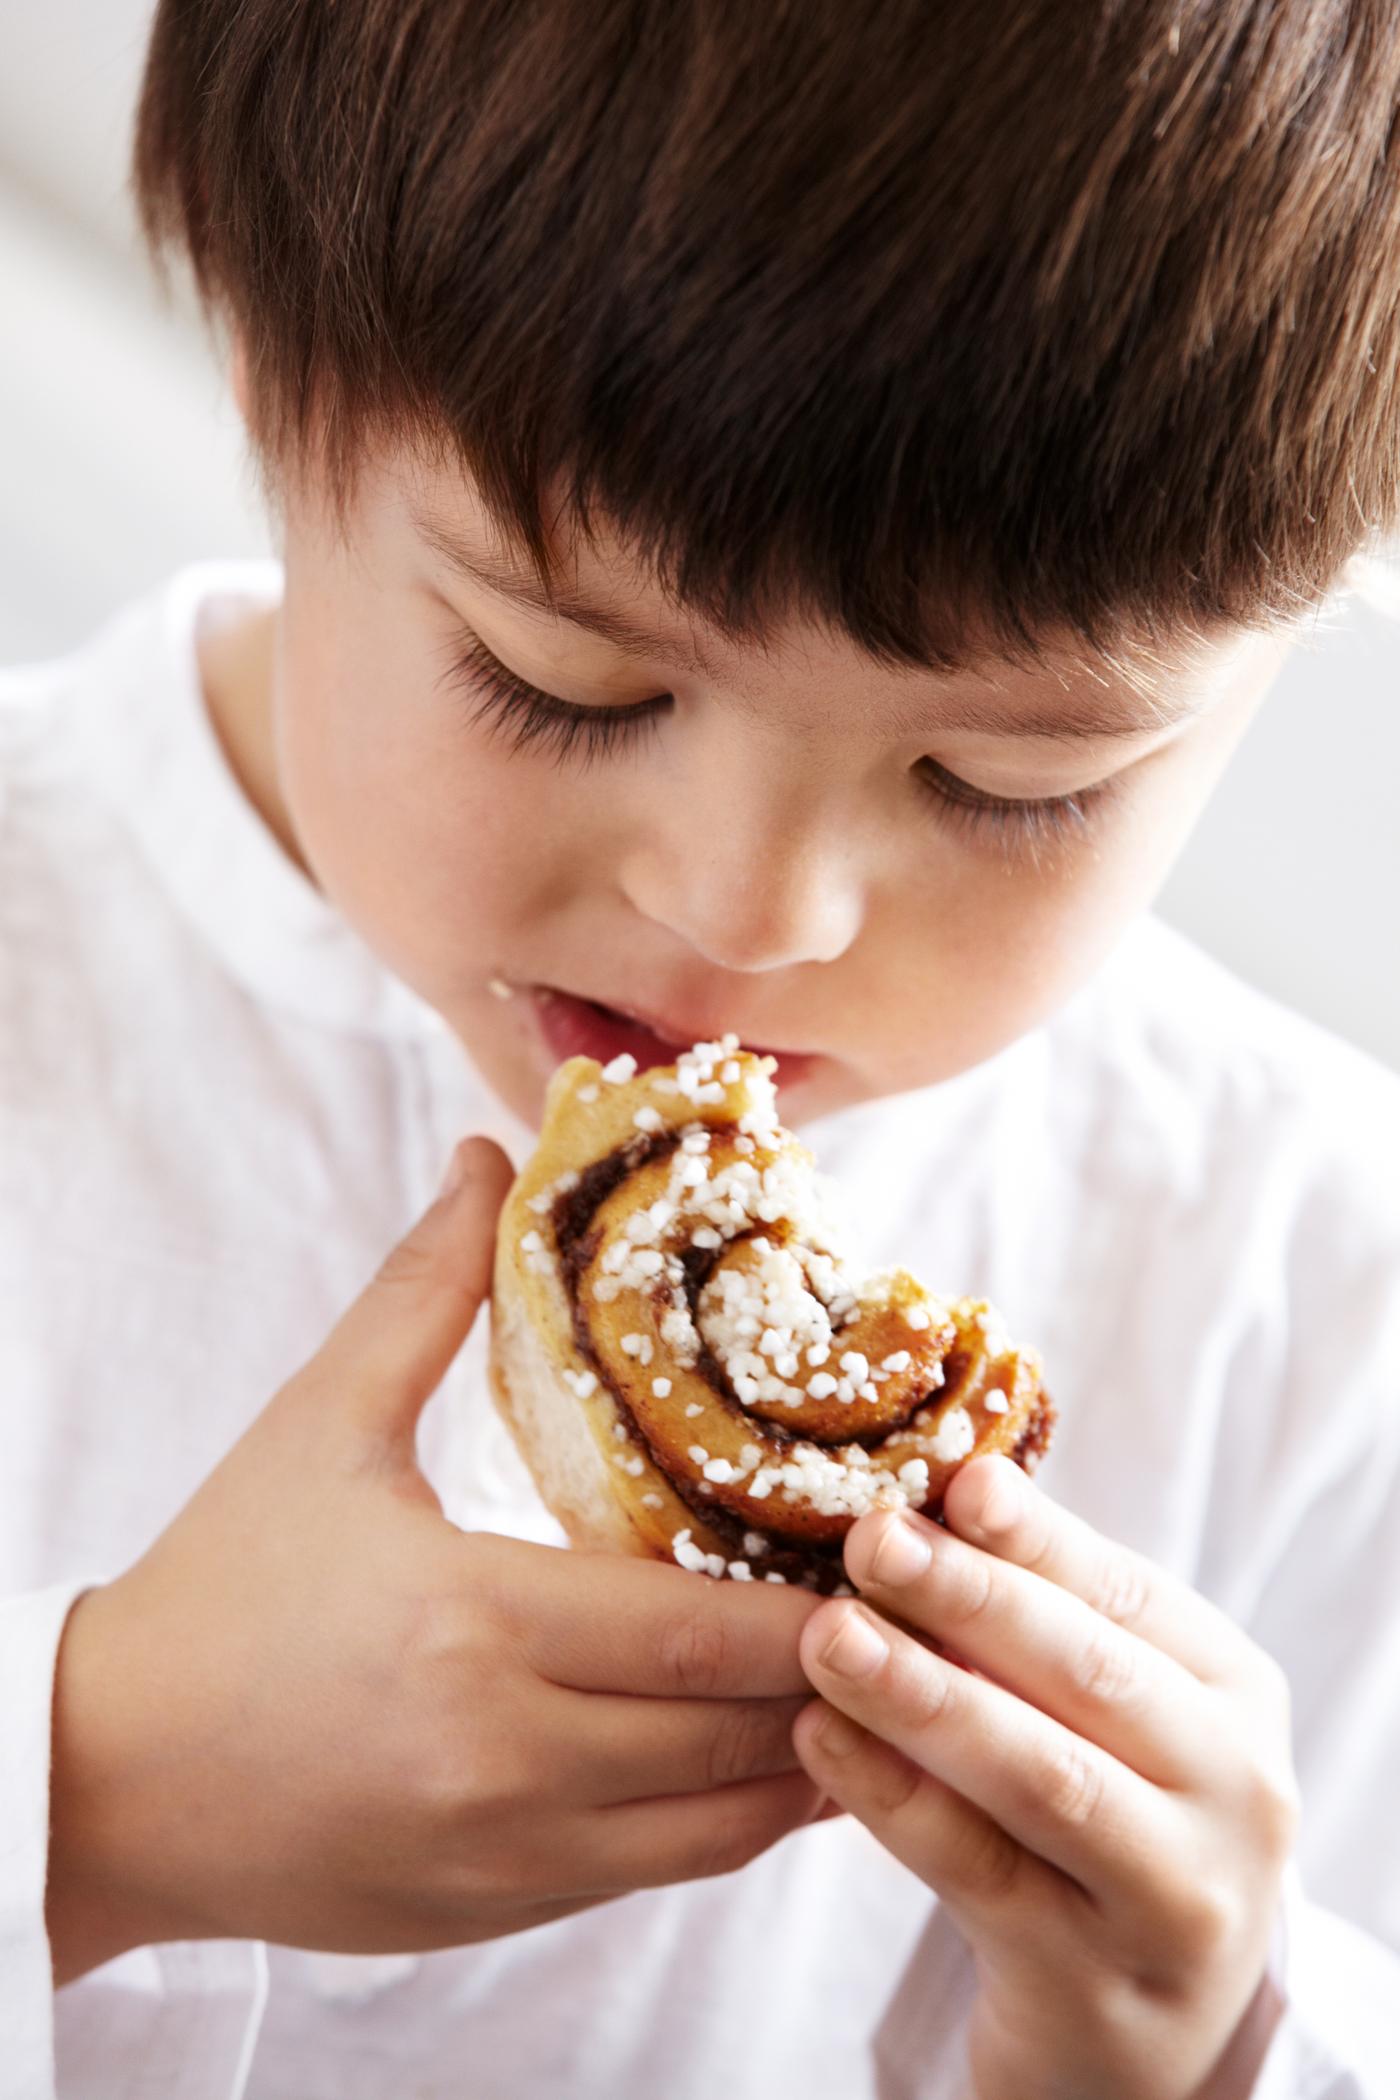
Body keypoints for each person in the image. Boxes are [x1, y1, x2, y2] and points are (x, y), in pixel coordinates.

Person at [3, 1, 1398, 2094]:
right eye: (565, 680)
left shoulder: (1303, 1300)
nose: (756, 915)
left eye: (1006, 781)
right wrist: (94, 1807)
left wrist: (1179, 2040)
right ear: (266, 371)